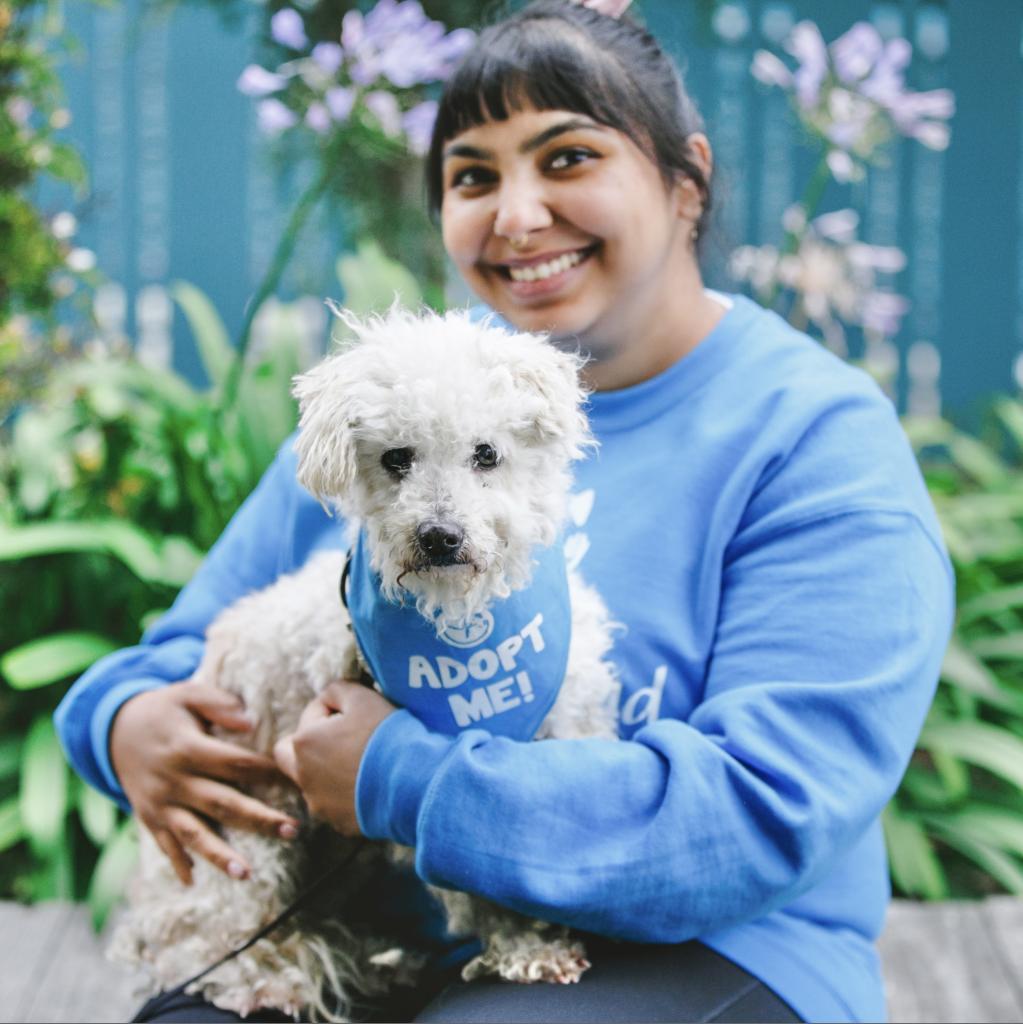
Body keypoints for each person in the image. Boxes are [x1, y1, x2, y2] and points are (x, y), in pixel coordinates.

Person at [54, 1, 955, 1021]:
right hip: (378, 932)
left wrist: (409, 780)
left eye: (567, 158)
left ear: (684, 177)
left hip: (711, 945)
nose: (516, 216)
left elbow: (758, 810)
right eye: (473, 176)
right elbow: (174, 654)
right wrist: (126, 721)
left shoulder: (815, 439)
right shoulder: (408, 405)